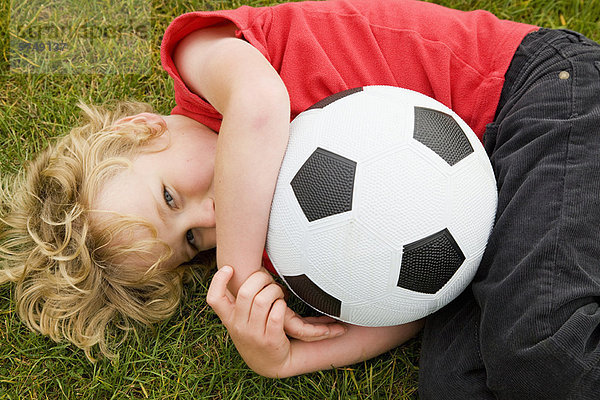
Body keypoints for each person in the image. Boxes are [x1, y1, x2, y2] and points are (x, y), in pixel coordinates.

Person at [1, 0, 599, 396]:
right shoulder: (287, 242)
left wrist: (235, 275)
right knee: (458, 386)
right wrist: (283, 359)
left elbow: (259, 109)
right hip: (481, 233)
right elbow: (403, 308)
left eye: (168, 196)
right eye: (190, 243)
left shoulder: (202, 59)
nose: (208, 217)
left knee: (539, 343)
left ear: (139, 131)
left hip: (536, 98)